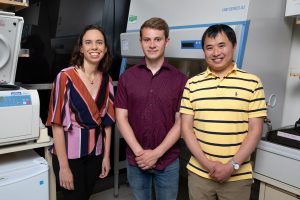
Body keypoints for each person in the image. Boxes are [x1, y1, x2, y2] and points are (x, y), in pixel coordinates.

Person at [180, 24, 267, 200]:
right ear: (204, 51)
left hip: (237, 177)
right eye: (209, 47)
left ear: (233, 46)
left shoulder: (252, 83)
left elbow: (255, 131)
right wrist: (207, 164)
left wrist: (232, 166)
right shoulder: (192, 84)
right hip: (199, 175)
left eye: (221, 45)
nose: (215, 52)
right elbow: (186, 129)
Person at [114, 17, 187, 200]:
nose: (152, 44)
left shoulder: (180, 80)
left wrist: (156, 154)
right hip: (136, 160)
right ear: (140, 42)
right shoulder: (127, 78)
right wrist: (141, 153)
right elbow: (121, 118)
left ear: (166, 41)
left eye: (158, 39)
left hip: (168, 161)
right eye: (147, 39)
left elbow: (181, 123)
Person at [46, 25, 115, 200]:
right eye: (89, 42)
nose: (94, 47)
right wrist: (64, 167)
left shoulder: (107, 80)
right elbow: (57, 125)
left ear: (105, 49)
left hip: (95, 154)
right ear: (82, 48)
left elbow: (107, 123)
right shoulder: (65, 77)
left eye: (99, 43)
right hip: (69, 156)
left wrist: (106, 157)